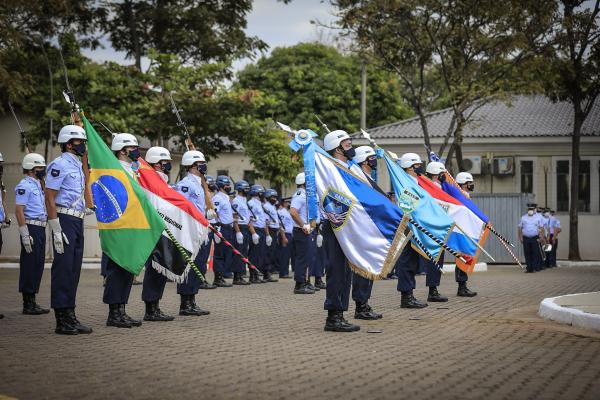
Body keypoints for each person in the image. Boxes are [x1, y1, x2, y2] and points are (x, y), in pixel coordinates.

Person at [45, 124, 93, 335]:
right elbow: (49, 197)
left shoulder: (77, 166)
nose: (83, 146)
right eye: (79, 142)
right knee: (63, 268)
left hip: (76, 220)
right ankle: (61, 318)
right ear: (68, 144)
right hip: (63, 219)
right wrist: (55, 227)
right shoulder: (59, 164)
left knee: (73, 269)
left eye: (84, 142)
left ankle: (71, 314)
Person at [100, 133, 144, 328]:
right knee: (116, 269)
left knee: (127, 269)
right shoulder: (113, 168)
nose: (136, 151)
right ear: (122, 150)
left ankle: (122, 310)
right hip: (119, 225)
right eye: (133, 148)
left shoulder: (135, 170)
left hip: (132, 224)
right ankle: (113, 313)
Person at [321, 130, 362, 332]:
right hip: (337, 222)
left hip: (350, 224)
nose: (351, 147)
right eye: (346, 144)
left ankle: (341, 313)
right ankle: (333, 316)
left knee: (346, 271)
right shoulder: (330, 168)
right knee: (336, 270)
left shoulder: (349, 167)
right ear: (337, 149)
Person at [173, 149, 213, 315]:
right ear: (193, 165)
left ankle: (192, 300)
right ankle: (185, 303)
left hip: (201, 228)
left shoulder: (200, 183)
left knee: (199, 264)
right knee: (189, 266)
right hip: (190, 229)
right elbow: (180, 206)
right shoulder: (186, 184)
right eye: (201, 163)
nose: (204, 166)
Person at [348, 146, 384, 319]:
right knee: (363, 268)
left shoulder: (367, 178)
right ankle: (360, 306)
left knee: (369, 267)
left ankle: (365, 304)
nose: (374, 160)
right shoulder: (358, 179)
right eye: (372, 158)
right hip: (362, 229)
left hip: (370, 229)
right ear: (364, 160)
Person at [141, 146, 175, 321]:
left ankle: (155, 305)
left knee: (161, 267)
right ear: (156, 163)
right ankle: (150, 308)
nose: (168, 164)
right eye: (165, 162)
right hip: (153, 228)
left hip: (164, 228)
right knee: (154, 267)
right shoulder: (149, 179)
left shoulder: (162, 179)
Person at [15, 153, 49, 315]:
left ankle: (33, 300)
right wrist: (24, 234)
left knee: (38, 264)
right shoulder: (25, 186)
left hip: (41, 228)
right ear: (31, 168)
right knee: (29, 265)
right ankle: (27, 303)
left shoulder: (37, 184)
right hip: (31, 228)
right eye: (40, 167)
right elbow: (19, 210)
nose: (43, 170)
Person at [395, 152, 428, 309]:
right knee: (407, 261)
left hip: (418, 226)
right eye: (417, 165)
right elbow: (407, 206)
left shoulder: (418, 181)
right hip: (409, 225)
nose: (420, 167)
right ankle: (406, 296)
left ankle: (410, 294)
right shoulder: (405, 182)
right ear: (409, 167)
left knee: (413, 261)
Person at [421, 161, 449, 302]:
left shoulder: (441, 187)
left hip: (441, 228)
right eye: (442, 174)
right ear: (436, 174)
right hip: (432, 228)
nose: (444, 176)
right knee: (434, 260)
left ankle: (434, 288)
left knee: (439, 259)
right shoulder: (428, 188)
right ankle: (432, 291)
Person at [289, 172, 315, 295]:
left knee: (307, 257)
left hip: (305, 230)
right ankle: (299, 284)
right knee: (302, 258)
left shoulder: (305, 194)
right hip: (301, 230)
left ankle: (305, 281)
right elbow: (293, 212)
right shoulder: (300, 195)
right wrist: (303, 225)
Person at [453, 172, 478, 296]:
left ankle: (463, 286)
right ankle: (461, 287)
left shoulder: (466, 196)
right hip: (461, 232)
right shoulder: (460, 197)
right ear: (463, 184)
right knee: (462, 258)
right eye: (469, 183)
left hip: (466, 231)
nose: (471, 185)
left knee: (465, 258)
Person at [212, 176, 237, 287]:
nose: (229, 187)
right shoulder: (217, 198)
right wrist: (217, 229)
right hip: (221, 228)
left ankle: (223, 275)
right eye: (227, 185)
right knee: (219, 254)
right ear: (221, 186)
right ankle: (218, 278)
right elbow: (214, 213)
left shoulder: (226, 198)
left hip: (228, 228)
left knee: (227, 253)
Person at [248, 184, 273, 283]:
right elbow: (249, 219)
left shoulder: (260, 204)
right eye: (262, 193)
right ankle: (252, 275)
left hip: (262, 230)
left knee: (260, 254)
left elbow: (264, 221)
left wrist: (267, 235)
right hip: (255, 230)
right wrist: (253, 233)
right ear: (258, 193)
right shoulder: (251, 203)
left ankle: (257, 274)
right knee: (254, 254)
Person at [231, 180, 254, 285]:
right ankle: (237, 276)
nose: (247, 190)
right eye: (246, 188)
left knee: (244, 252)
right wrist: (238, 232)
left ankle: (241, 274)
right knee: (239, 253)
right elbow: (234, 217)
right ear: (240, 189)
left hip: (245, 228)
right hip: (239, 228)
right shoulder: (236, 201)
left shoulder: (244, 200)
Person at [263, 189, 285, 281]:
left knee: (272, 253)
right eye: (272, 197)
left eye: (275, 197)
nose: (274, 199)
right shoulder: (266, 207)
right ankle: (266, 273)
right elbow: (266, 222)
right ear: (268, 197)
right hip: (270, 231)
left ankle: (269, 271)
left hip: (274, 231)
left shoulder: (272, 207)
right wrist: (268, 235)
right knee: (268, 253)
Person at [518, 203, 544, 273]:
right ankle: (529, 268)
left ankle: (534, 267)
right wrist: (520, 237)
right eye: (529, 209)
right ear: (527, 210)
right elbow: (520, 228)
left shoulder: (538, 218)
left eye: (531, 209)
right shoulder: (523, 217)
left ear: (533, 210)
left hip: (535, 238)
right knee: (527, 253)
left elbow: (541, 227)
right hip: (526, 238)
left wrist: (541, 236)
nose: (530, 210)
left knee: (535, 253)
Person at [277, 198, 294, 278]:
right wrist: (283, 237)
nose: (289, 203)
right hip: (285, 234)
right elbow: (281, 226)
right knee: (284, 254)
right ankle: (283, 273)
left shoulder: (287, 212)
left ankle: (285, 272)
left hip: (289, 234)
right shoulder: (282, 212)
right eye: (287, 202)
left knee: (287, 255)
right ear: (283, 203)